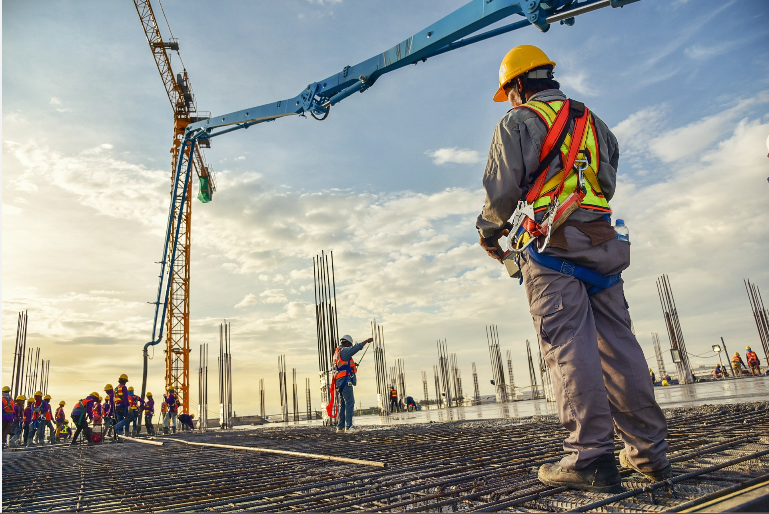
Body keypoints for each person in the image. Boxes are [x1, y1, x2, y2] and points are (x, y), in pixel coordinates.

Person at [476, 45, 670, 492]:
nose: (508, 100)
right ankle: (650, 454)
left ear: (519, 84)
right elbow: (606, 182)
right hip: (602, 242)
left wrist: (488, 233)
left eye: (508, 91)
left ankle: (590, 458)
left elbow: (502, 191)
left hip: (550, 246)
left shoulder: (518, 121)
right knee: (620, 347)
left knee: (569, 348)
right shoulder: (594, 123)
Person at [331, 335, 372, 433]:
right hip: (345, 380)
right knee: (350, 402)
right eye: (349, 345)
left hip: (339, 381)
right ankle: (349, 426)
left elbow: (342, 365)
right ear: (347, 343)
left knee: (344, 404)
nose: (350, 347)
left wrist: (353, 365)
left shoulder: (337, 353)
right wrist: (366, 341)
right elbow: (355, 349)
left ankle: (340, 426)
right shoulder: (344, 351)